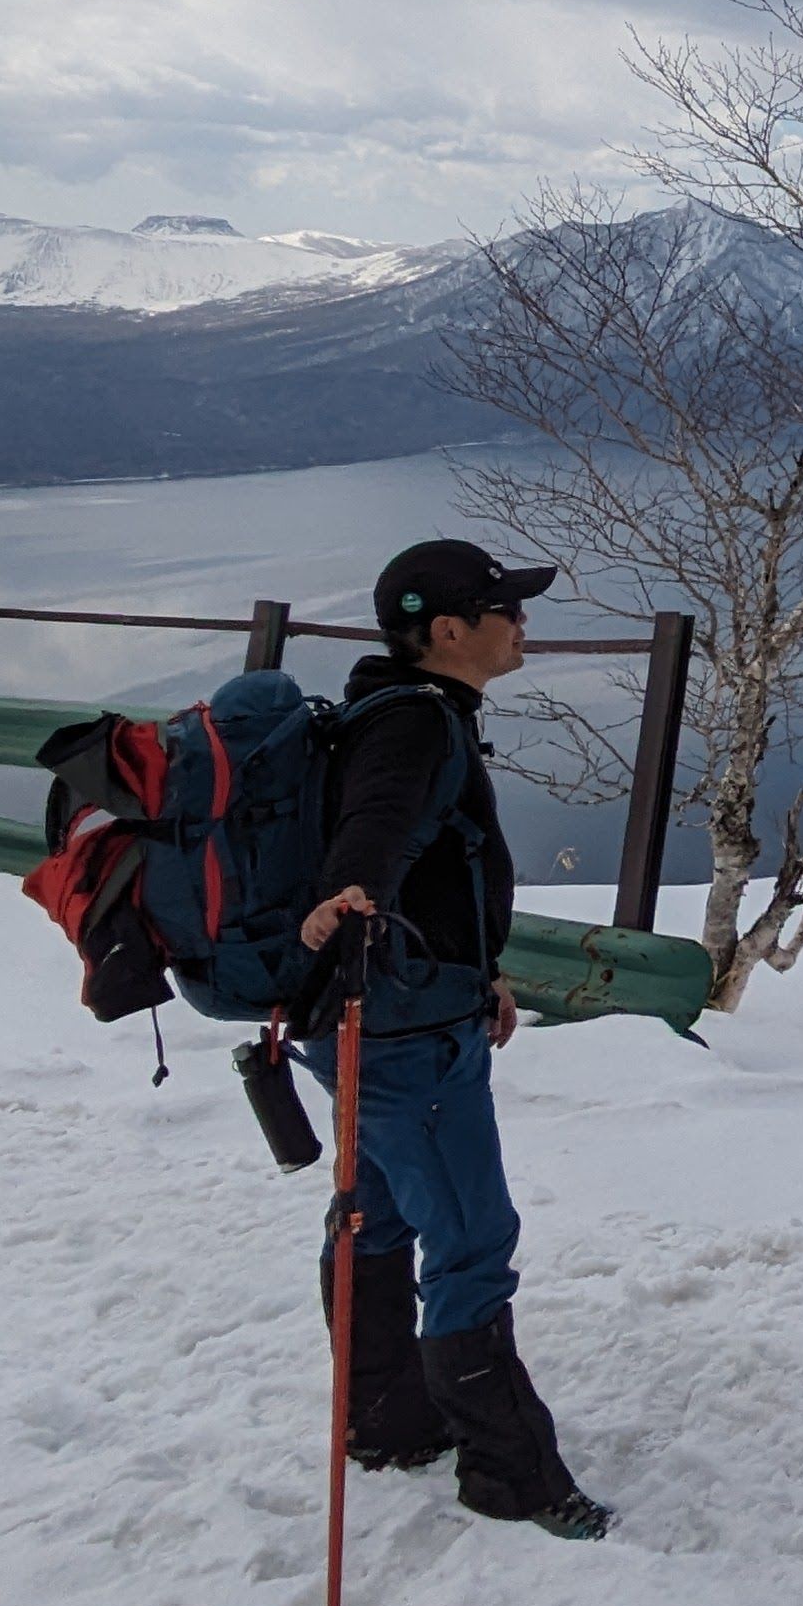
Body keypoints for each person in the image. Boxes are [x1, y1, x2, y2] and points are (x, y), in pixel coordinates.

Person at [295, 536, 610, 1541]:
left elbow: (436, 861)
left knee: (375, 1211)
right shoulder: (415, 729)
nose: (522, 624)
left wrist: (481, 973)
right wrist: (352, 896)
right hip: (402, 1033)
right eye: (505, 610)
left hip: (384, 1011)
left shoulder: (392, 709)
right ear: (447, 631)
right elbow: (379, 828)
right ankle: (510, 1471)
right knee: (470, 1237)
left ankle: (387, 1419)